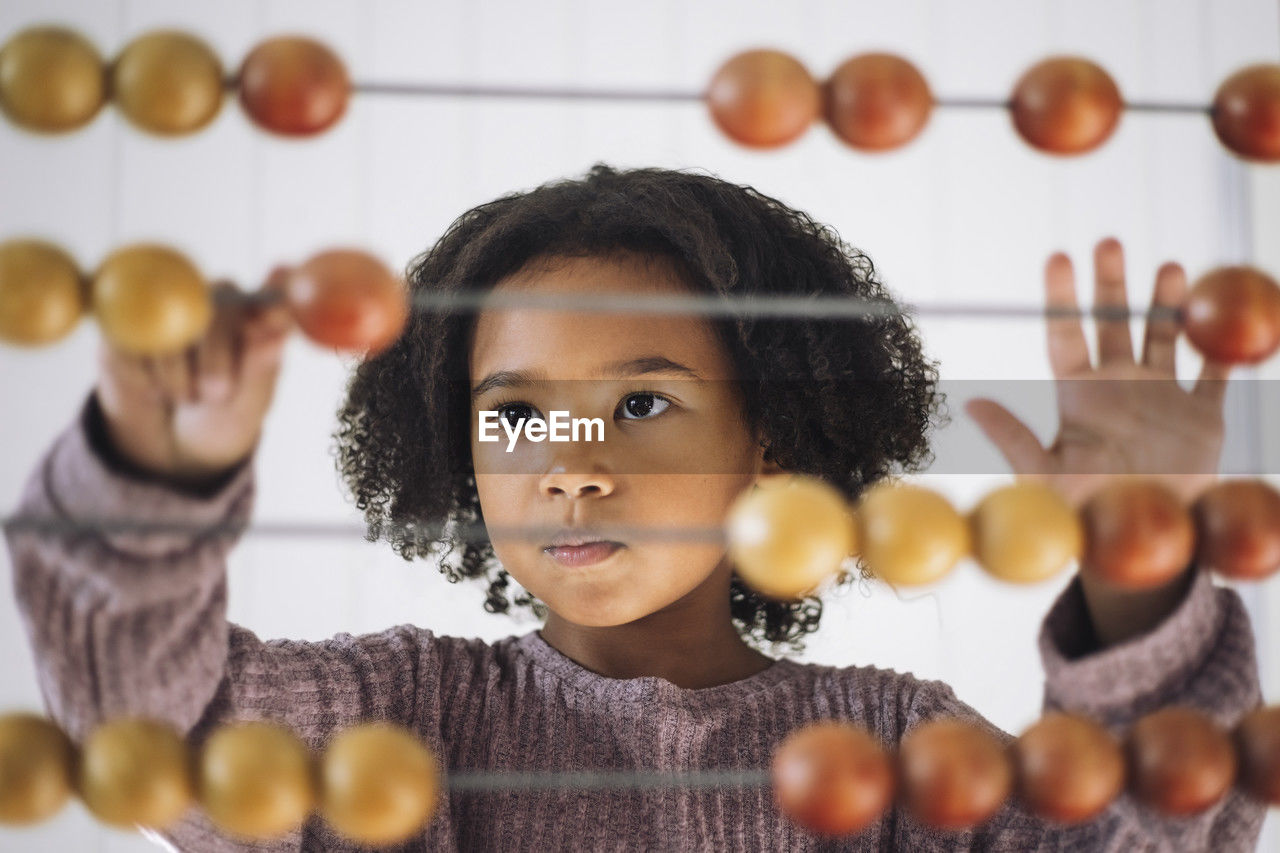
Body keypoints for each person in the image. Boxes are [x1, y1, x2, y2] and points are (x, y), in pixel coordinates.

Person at [4, 164, 1263, 851]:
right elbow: (145, 729)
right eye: (516, 415)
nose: (569, 462)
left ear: (771, 436)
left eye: (642, 404)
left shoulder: (895, 751)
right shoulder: (391, 717)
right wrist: (155, 479)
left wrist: (1136, 559)